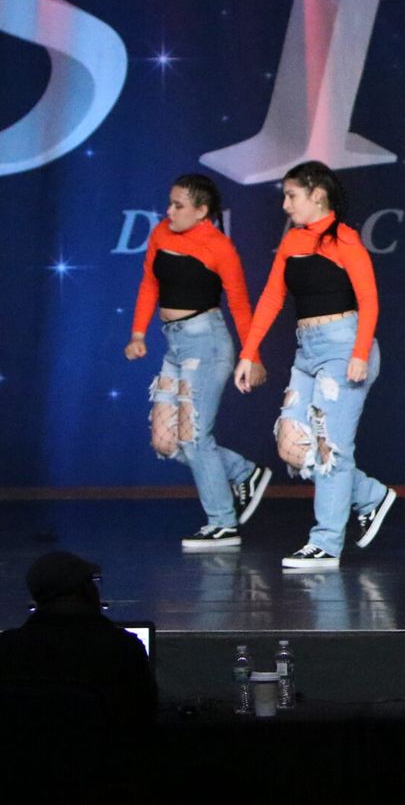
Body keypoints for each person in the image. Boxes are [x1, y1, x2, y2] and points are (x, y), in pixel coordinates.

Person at [233, 161, 396, 570]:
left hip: (344, 347)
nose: (286, 205)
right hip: (306, 352)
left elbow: (370, 300)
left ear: (317, 194)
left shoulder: (345, 240)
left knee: (331, 451)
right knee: (293, 445)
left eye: (292, 196)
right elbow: (271, 299)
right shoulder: (292, 242)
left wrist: (359, 354)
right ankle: (371, 496)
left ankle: (325, 542)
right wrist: (249, 353)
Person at [124, 173, 271, 551]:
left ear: (202, 211)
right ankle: (244, 472)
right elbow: (149, 284)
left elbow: (239, 304)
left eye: (178, 205)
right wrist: (138, 334)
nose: (169, 211)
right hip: (173, 344)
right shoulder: (160, 234)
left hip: (206, 343)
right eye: (169, 203)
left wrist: (250, 354)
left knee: (194, 436)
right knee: (166, 440)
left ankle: (222, 523)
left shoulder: (219, 247)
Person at [0, 550, 158, 727]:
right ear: (86, 590)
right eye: (93, 582)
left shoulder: (5, 649)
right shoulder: (122, 648)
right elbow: (144, 718)